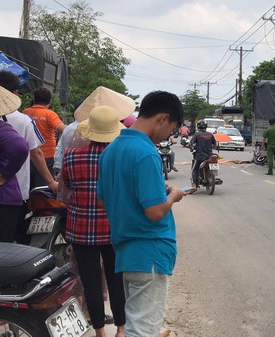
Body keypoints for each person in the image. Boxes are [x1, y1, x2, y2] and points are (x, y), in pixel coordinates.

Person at [97, 91, 186, 337]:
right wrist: (173, 195)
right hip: (150, 252)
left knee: (136, 323)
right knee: (143, 330)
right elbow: (156, 211)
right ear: (162, 118)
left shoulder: (111, 150)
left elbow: (106, 202)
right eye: (172, 127)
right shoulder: (146, 153)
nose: (169, 134)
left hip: (127, 251)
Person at [61, 106, 126, 337]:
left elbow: (65, 191)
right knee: (117, 280)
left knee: (91, 283)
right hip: (113, 229)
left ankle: (99, 331)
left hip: (80, 229)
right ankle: (121, 329)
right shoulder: (119, 157)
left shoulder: (70, 155)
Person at [0, 85, 30, 242]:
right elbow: (21, 147)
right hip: (5, 198)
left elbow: (20, 148)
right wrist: (6, 174)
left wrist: (5, 174)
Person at [22, 88, 66, 187]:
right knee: (42, 188)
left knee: (28, 185)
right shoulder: (49, 114)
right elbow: (64, 130)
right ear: (50, 101)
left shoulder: (24, 112)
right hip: (46, 157)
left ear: (34, 100)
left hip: (27, 155)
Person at [188, 120, 216, 190]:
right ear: (206, 127)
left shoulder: (197, 134)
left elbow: (190, 144)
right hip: (210, 156)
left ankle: (194, 185)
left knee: (194, 169)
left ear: (198, 127)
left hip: (199, 157)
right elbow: (215, 145)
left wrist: (189, 146)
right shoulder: (210, 134)